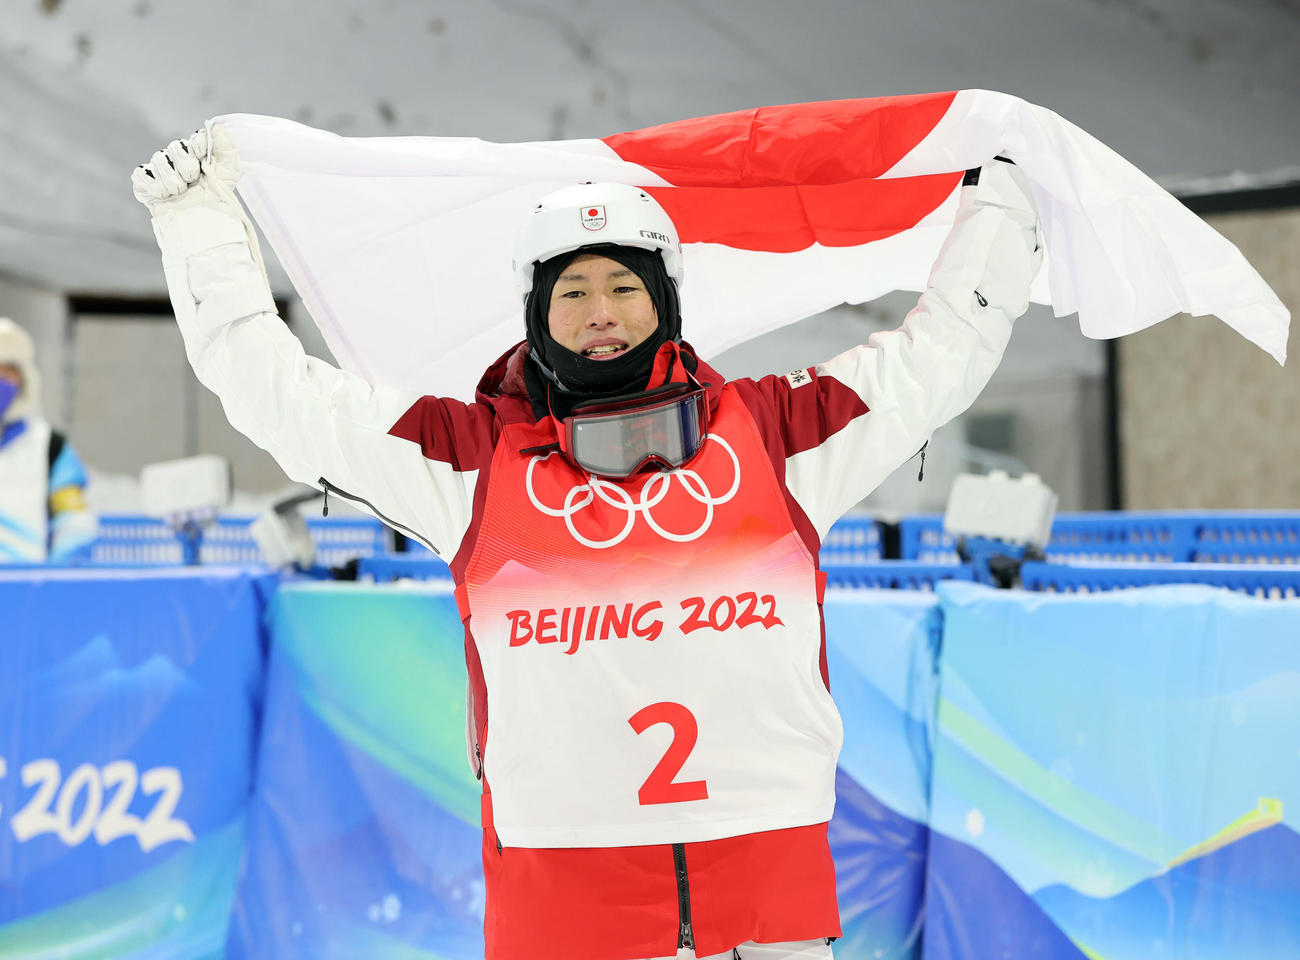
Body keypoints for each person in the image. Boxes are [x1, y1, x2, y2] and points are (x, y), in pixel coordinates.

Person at [132, 127, 1041, 960]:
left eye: (624, 287)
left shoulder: (774, 438)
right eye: (571, 291)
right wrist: (197, 224)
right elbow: (280, 396)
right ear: (535, 314)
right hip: (569, 923)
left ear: (665, 303)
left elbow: (935, 359)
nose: (599, 310)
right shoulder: (472, 463)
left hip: (771, 913)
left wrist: (1006, 204)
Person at [0, 318, 97, 564]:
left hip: (29, 583)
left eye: (8, 370)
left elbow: (75, 523)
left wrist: (53, 575)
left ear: (24, 381)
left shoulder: (50, 448)